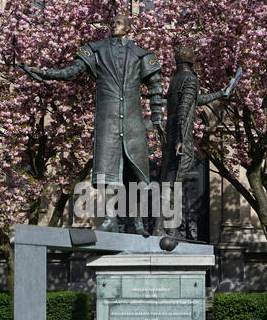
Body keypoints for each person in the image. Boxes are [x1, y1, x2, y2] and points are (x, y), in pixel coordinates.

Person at [26, 14, 165, 235]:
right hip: (108, 120)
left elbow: (156, 88)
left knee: (135, 172)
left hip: (132, 121)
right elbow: (72, 71)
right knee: (108, 171)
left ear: (128, 28)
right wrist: (45, 74)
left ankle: (138, 223)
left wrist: (157, 118)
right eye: (112, 22)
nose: (113, 25)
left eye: (118, 23)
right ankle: (111, 218)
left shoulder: (142, 55)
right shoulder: (96, 50)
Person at [153, 46, 239, 237]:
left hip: (170, 139)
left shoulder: (176, 80)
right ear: (191, 61)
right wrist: (183, 140)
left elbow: (193, 101)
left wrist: (220, 93)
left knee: (168, 183)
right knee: (174, 185)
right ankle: (171, 228)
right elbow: (185, 110)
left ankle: (160, 228)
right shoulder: (191, 79)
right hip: (181, 139)